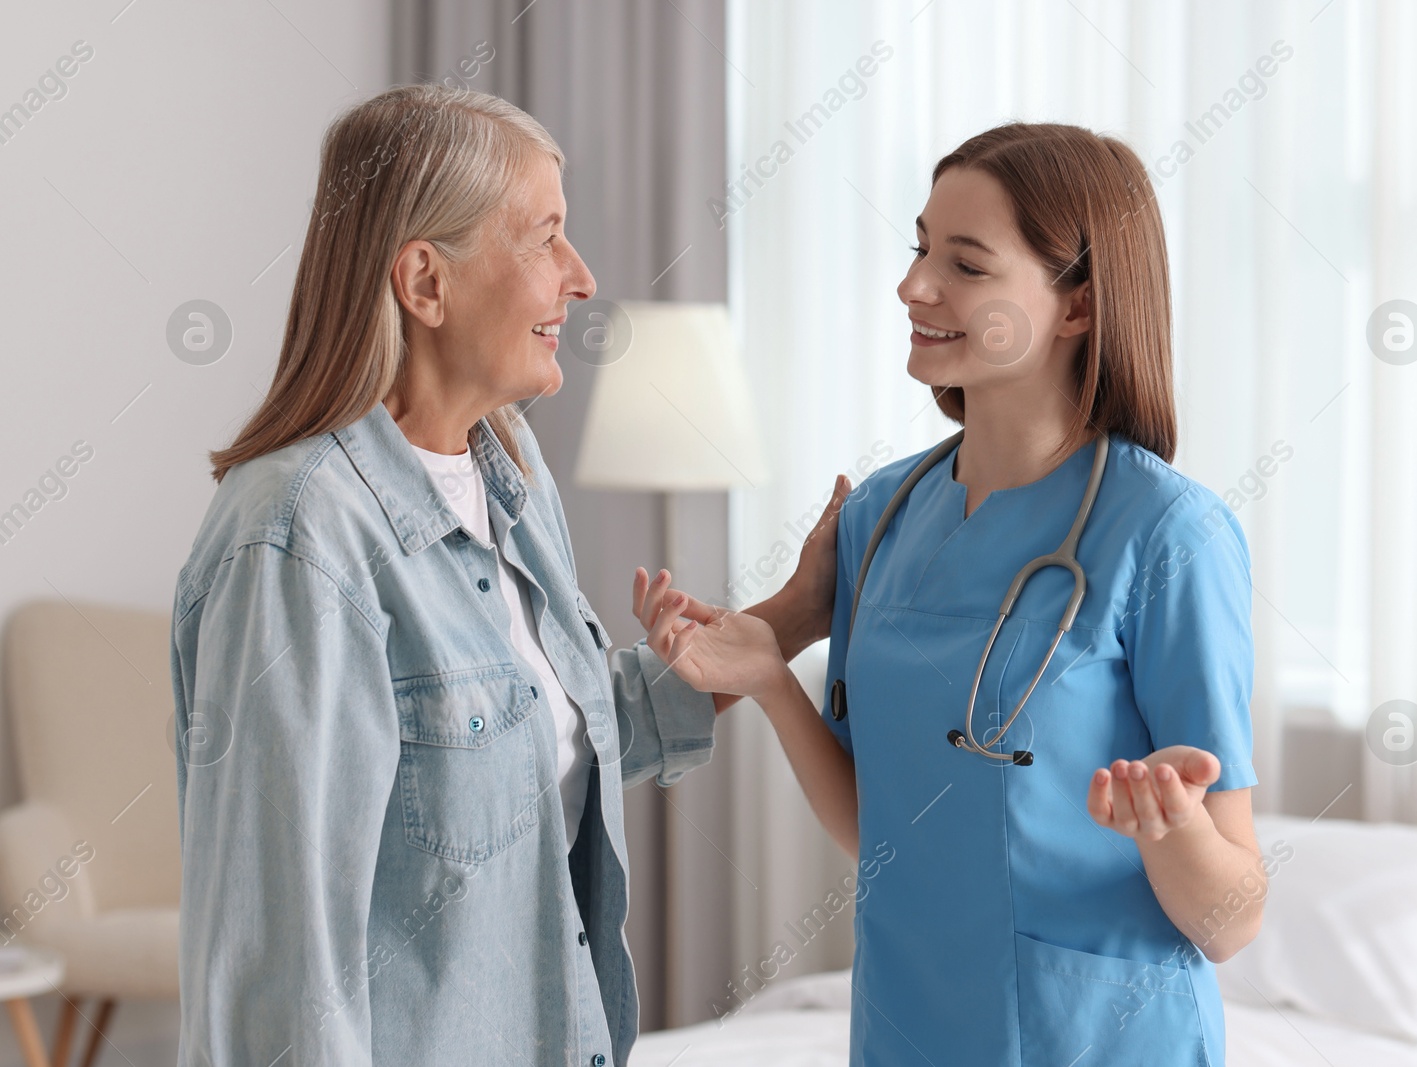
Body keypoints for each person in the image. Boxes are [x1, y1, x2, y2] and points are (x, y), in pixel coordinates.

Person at [169, 84, 841, 1066]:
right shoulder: (299, 533)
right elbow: (277, 956)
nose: (580, 275)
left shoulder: (508, 471)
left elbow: (549, 728)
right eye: (544, 238)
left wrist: (794, 612)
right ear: (425, 283)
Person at [748, 123, 1265, 1065]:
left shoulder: (1166, 535)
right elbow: (883, 829)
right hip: (907, 1022)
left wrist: (1172, 826)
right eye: (919, 248)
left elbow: (1233, 919)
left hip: (1096, 1037)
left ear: (1075, 307)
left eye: (967, 265)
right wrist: (774, 683)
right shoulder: (879, 514)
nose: (914, 286)